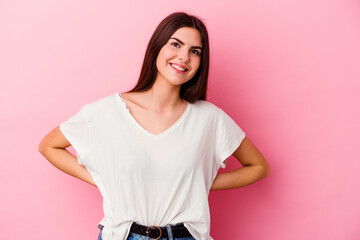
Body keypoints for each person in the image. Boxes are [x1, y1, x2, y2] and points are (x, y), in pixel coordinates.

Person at [38, 12, 270, 240]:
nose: (184, 57)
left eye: (195, 51)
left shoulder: (209, 119)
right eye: (176, 44)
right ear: (157, 47)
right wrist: (102, 178)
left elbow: (258, 166)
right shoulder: (107, 111)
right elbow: (49, 146)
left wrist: (199, 183)